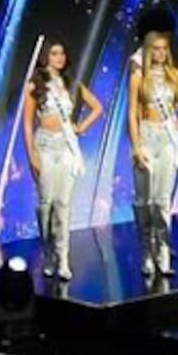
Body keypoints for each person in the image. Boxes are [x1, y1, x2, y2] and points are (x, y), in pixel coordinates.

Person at [126, 24, 178, 283]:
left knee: (162, 201)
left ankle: (162, 251)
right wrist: (136, 145)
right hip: (147, 137)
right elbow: (132, 113)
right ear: (148, 50)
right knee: (144, 200)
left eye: (164, 49)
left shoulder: (174, 75)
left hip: (168, 140)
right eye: (155, 49)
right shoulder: (139, 77)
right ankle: (146, 251)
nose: (160, 53)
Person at [22, 41, 105, 282]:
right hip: (45, 147)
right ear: (46, 56)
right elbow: (27, 123)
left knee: (64, 204)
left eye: (62, 53)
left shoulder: (71, 84)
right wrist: (32, 154)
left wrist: (81, 127)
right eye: (54, 53)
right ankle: (48, 253)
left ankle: (63, 258)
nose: (59, 57)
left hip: (67, 147)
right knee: (45, 204)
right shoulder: (34, 86)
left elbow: (97, 107)